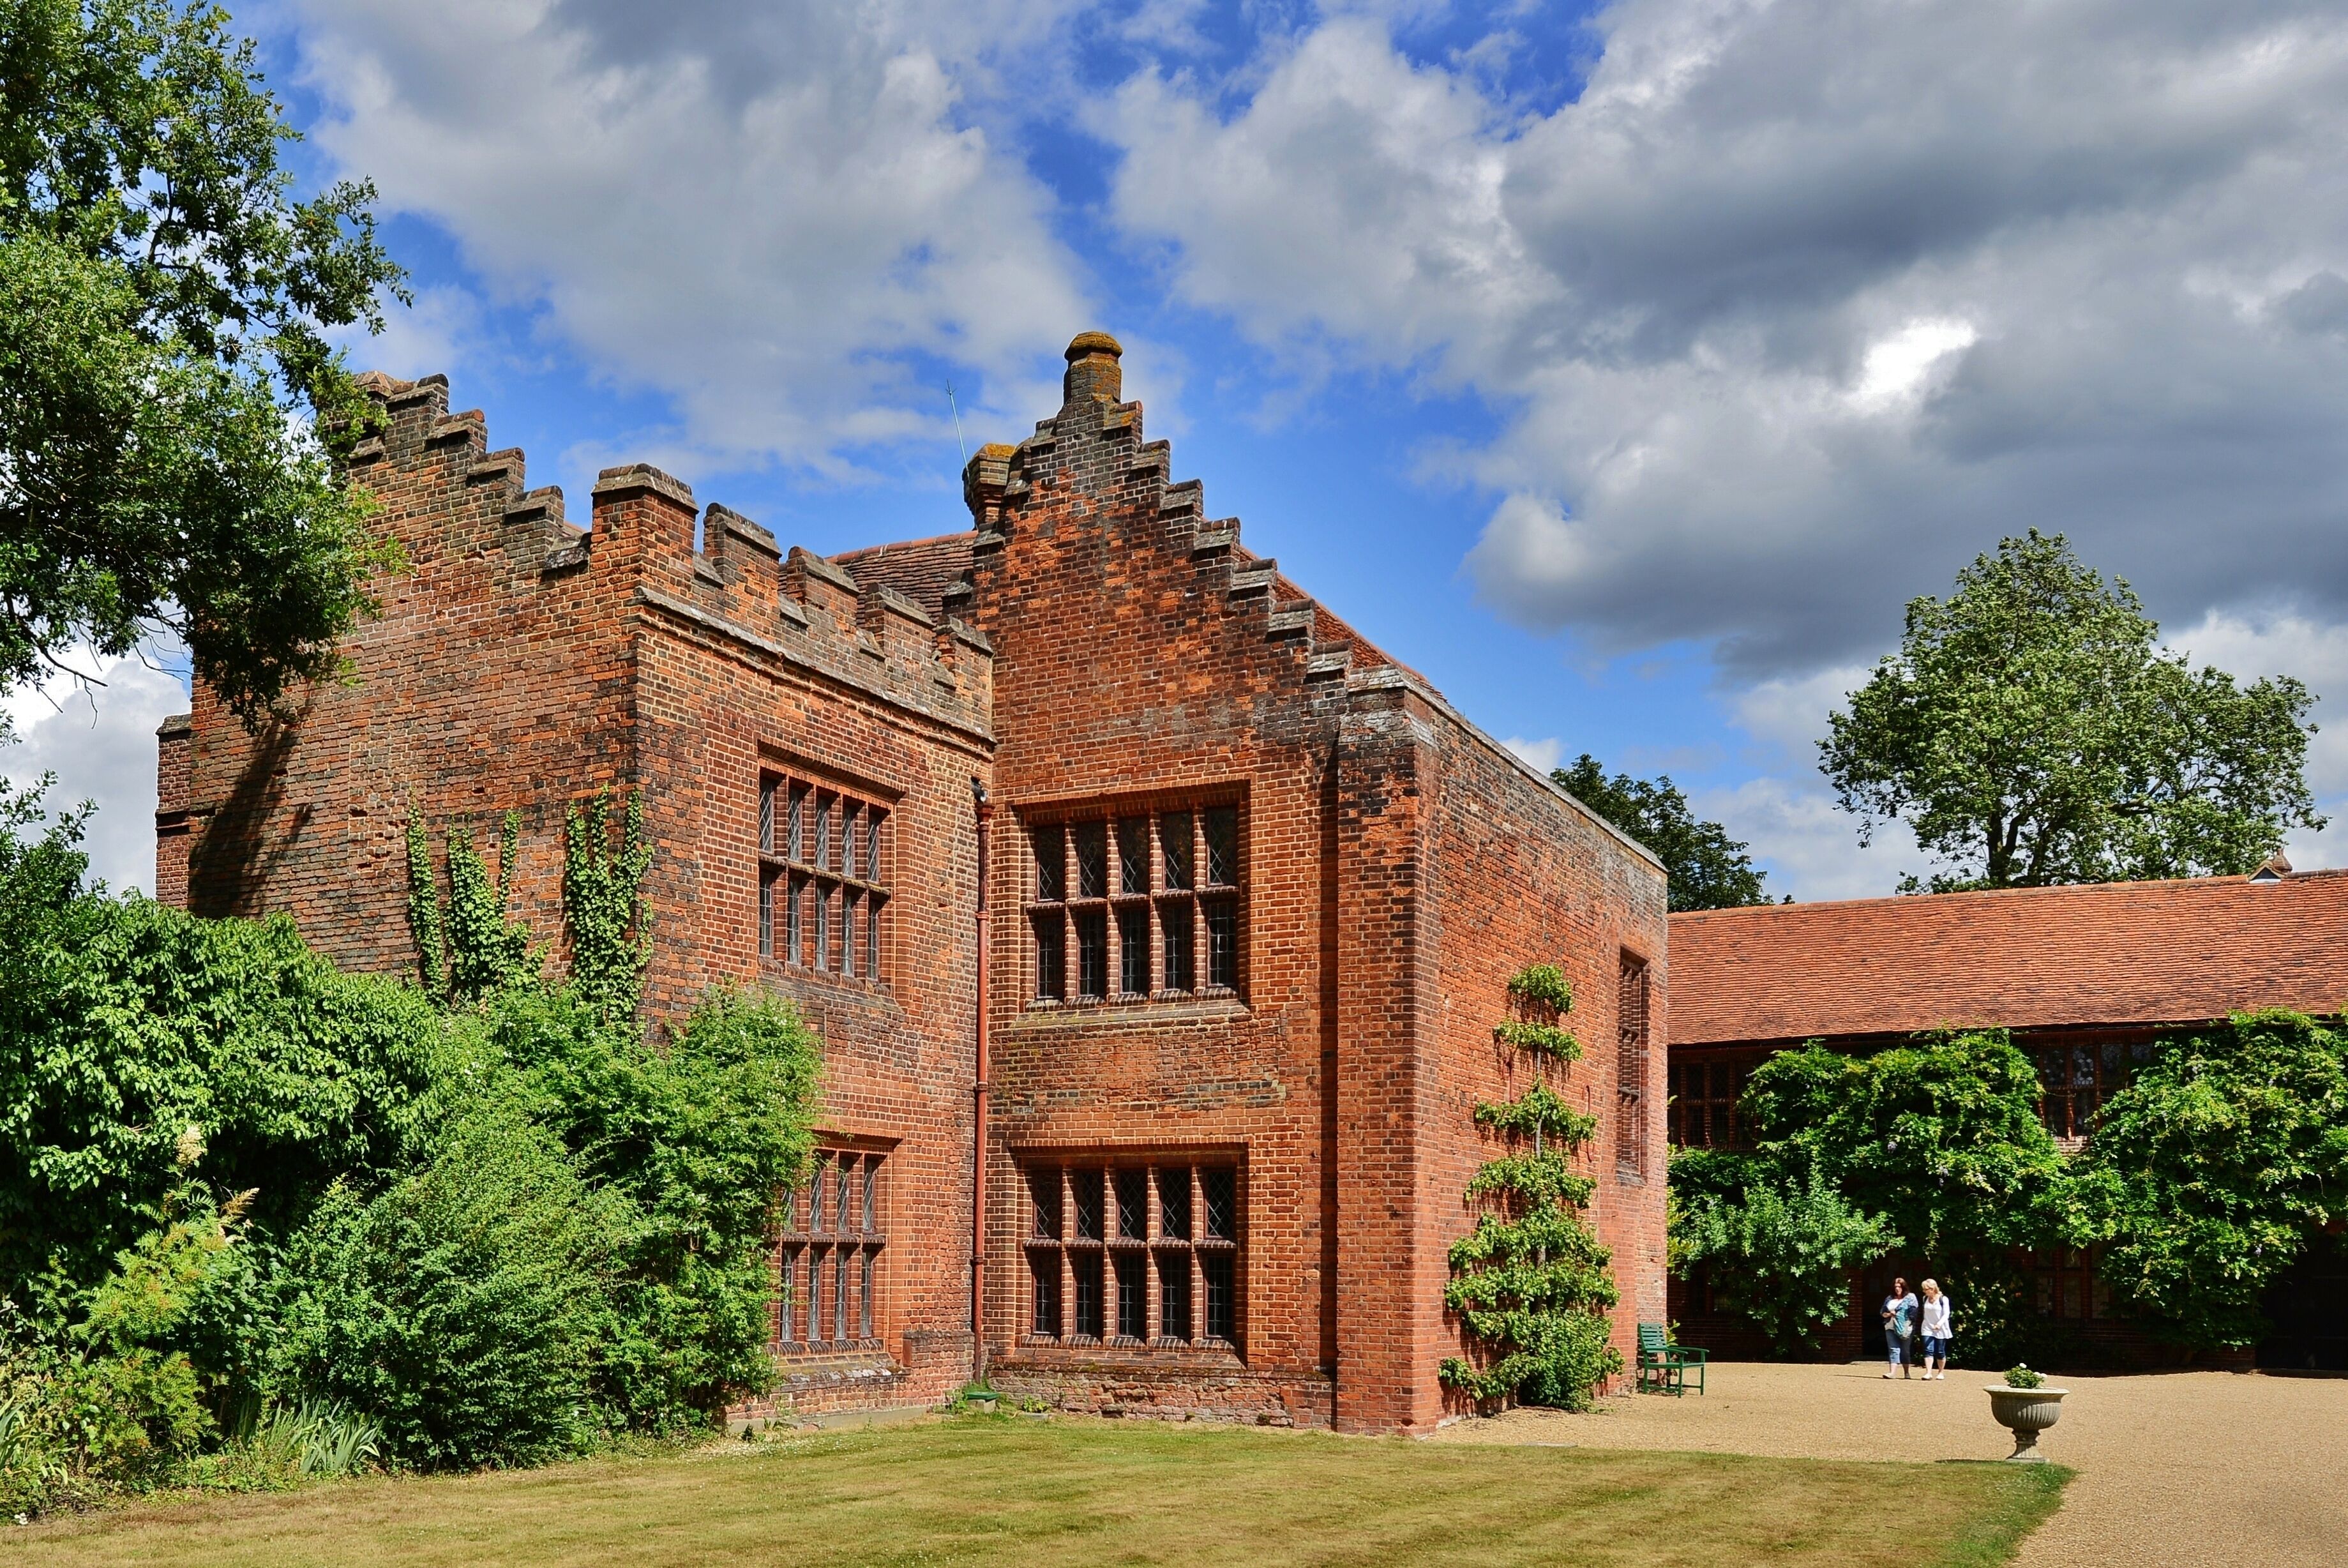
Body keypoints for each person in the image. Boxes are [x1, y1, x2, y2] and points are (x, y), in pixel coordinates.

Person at [1881, 1276, 1920, 1379]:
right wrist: (1888, 1314)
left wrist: (1908, 1322)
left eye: (1899, 1287)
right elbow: (1882, 1312)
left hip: (1905, 1328)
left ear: (1904, 1287)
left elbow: (1914, 1312)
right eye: (1895, 1287)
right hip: (1890, 1326)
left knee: (1905, 1351)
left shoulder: (1911, 1297)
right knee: (1893, 1349)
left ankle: (1906, 1372)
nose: (1897, 1289)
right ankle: (1892, 1373)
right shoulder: (1889, 1299)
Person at [1919, 1279, 1954, 1380]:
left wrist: (1939, 1324)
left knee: (1940, 1351)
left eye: (1926, 1289)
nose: (1924, 1291)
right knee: (1928, 1350)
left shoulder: (1943, 1299)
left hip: (1940, 1328)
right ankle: (1929, 1373)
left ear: (1932, 1288)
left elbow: (1946, 1314)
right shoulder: (1925, 1299)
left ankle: (1941, 1372)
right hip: (1927, 1327)